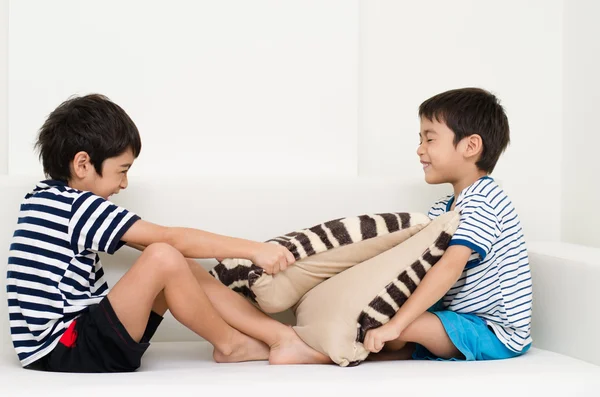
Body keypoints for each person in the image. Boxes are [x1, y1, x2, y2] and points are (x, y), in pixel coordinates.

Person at [6, 93, 331, 372]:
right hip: (68, 347)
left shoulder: (46, 201)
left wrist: (217, 248)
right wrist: (252, 249)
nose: (124, 184)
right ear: (82, 165)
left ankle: (282, 338)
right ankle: (231, 345)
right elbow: (168, 239)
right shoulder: (76, 207)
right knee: (164, 255)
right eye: (121, 171)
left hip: (68, 344)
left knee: (176, 262)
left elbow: (155, 243)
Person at [364, 88, 532, 361]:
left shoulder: (484, 201)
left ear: (470, 146)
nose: (419, 150)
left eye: (430, 139)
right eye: (420, 139)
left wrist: (396, 324)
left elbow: (450, 268)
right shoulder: (441, 209)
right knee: (379, 327)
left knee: (399, 326)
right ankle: (311, 350)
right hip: (455, 319)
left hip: (494, 333)